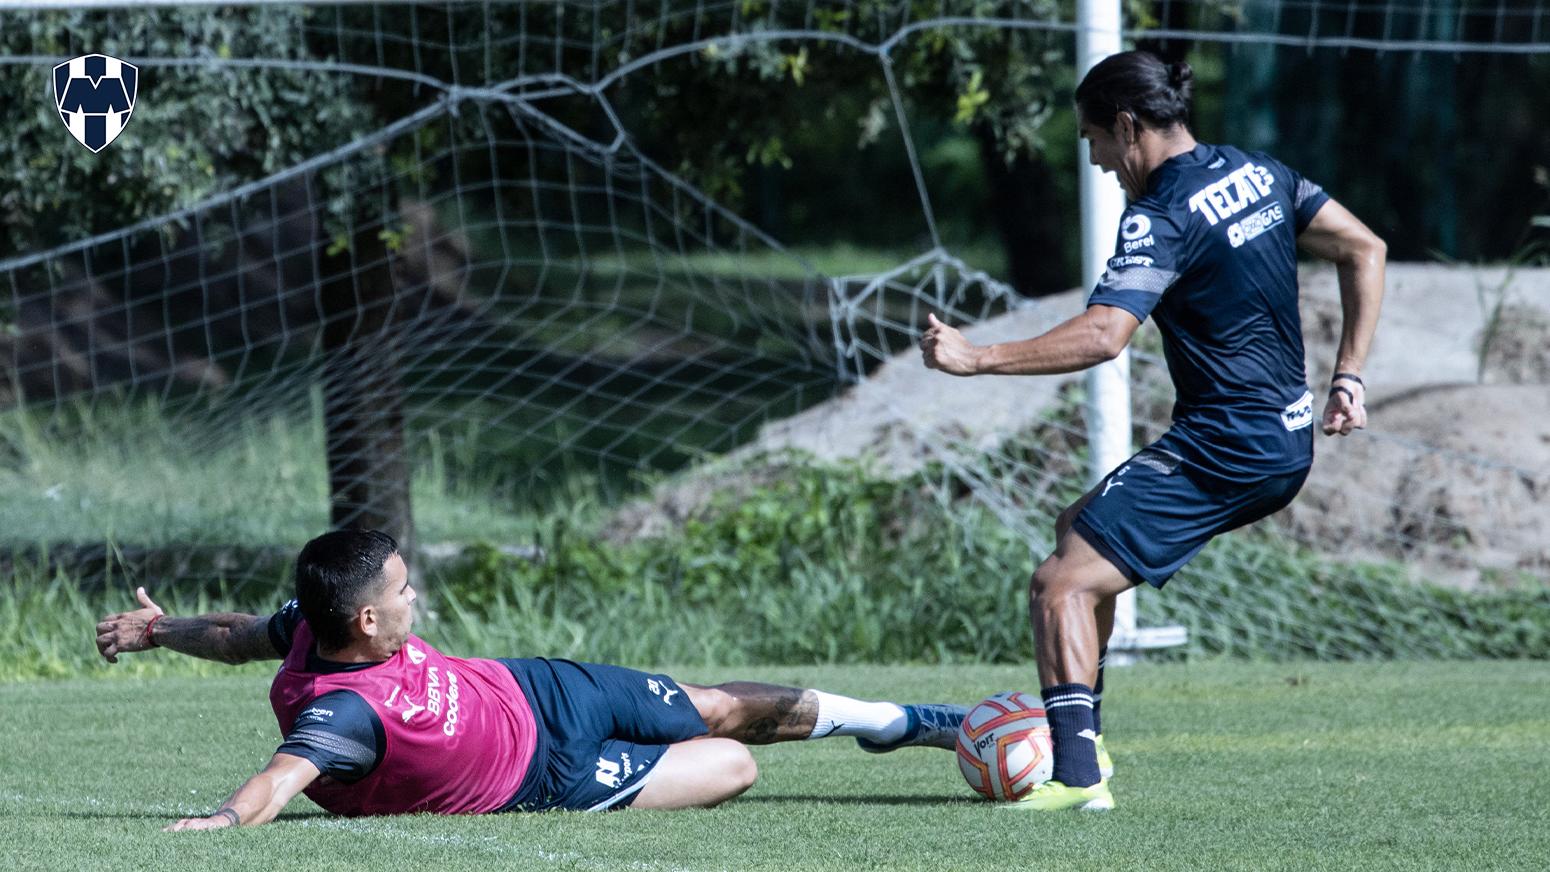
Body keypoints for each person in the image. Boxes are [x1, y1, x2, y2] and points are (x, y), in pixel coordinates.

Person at [920, 50, 1385, 811]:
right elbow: (1367, 247)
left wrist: (977, 359)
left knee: (1057, 584)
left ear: (1129, 126)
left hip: (1230, 442)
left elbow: (1105, 334)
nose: (1098, 160)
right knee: (1076, 528)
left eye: (1094, 139)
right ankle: (1086, 742)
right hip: (1274, 433)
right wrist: (1349, 377)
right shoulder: (1259, 172)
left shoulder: (1162, 214)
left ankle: (1076, 779)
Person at [95, 529, 966, 830]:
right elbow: (284, 776)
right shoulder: (344, 713)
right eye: (403, 592)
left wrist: (159, 629)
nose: (415, 597)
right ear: (365, 621)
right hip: (550, 780)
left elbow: (240, 633)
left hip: (542, 689)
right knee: (734, 765)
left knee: (717, 706)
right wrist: (220, 819)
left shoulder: (308, 626)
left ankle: (912, 721)